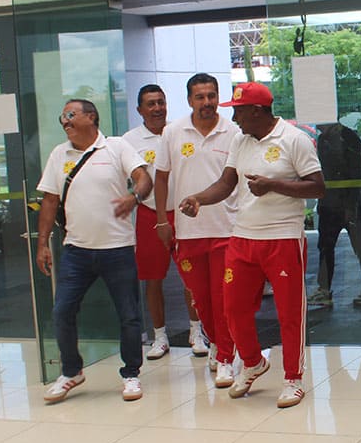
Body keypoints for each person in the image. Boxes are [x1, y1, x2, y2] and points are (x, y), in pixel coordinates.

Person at [178, 82, 324, 408]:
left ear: (257, 111)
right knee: (232, 308)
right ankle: (253, 361)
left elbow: (317, 187)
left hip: (283, 238)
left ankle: (293, 379)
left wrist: (273, 185)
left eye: (239, 111)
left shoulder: (294, 139)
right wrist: (199, 199)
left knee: (289, 314)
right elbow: (226, 183)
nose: (234, 117)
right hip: (243, 237)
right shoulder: (240, 140)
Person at [37, 99, 153, 403]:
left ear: (91, 117)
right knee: (62, 311)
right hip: (76, 251)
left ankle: (131, 373)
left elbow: (144, 177)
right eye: (62, 116)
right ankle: (71, 371)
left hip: (117, 249)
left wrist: (134, 197)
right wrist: (42, 243)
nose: (65, 121)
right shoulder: (59, 154)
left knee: (129, 315)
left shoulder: (116, 147)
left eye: (71, 114)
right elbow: (50, 200)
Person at [155, 73, 240, 388]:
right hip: (188, 232)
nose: (207, 102)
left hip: (226, 229)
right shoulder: (173, 132)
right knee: (201, 299)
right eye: (200, 97)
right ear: (189, 100)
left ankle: (226, 357)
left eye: (211, 96)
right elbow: (161, 177)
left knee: (223, 298)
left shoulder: (233, 132)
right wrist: (162, 221)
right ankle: (216, 343)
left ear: (218, 97)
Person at [122, 84, 206, 360]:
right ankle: (159, 337)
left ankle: (196, 332)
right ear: (140, 110)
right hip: (149, 215)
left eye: (161, 102)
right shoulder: (129, 140)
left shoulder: (179, 132)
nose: (157, 108)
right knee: (153, 279)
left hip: (182, 213)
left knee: (191, 276)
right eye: (151, 104)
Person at [307, 122, 361, 308]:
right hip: (329, 203)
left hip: (349, 202)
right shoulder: (323, 139)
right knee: (325, 246)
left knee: (359, 244)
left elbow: (356, 175)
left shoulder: (348, 138)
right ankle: (324, 289)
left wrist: (351, 207)